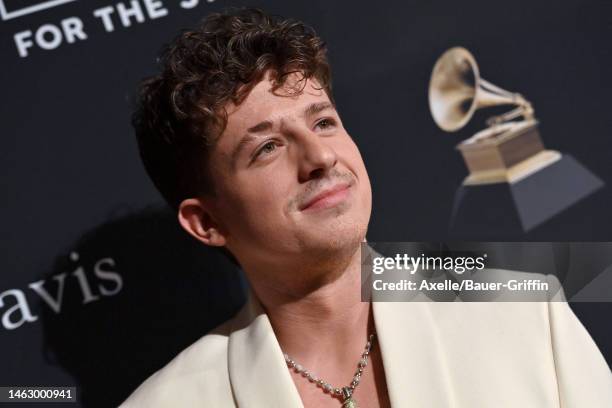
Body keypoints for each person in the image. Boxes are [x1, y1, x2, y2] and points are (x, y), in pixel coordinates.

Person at [121, 8, 612, 407]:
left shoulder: (526, 317)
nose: (320, 157)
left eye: (324, 123)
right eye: (267, 147)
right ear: (207, 222)